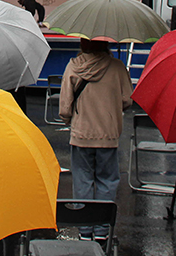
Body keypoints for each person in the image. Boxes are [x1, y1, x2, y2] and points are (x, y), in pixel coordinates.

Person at [59, 38, 132, 244]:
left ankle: (84, 230)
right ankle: (102, 231)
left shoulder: (73, 66)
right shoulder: (117, 67)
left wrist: (71, 119)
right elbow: (127, 99)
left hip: (81, 135)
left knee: (82, 181)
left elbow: (65, 107)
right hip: (108, 135)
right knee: (107, 180)